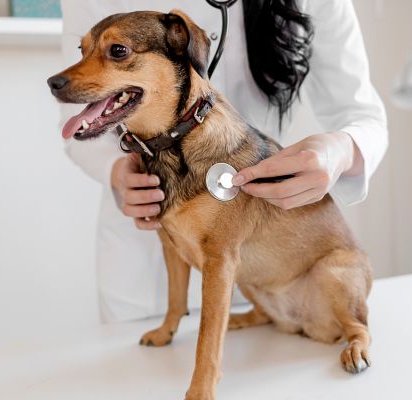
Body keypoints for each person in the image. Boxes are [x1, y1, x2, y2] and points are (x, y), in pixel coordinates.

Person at [59, 0, 388, 323]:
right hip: (142, 275)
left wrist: (339, 151)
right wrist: (116, 171)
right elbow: (76, 119)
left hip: (264, 262)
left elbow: (363, 115)